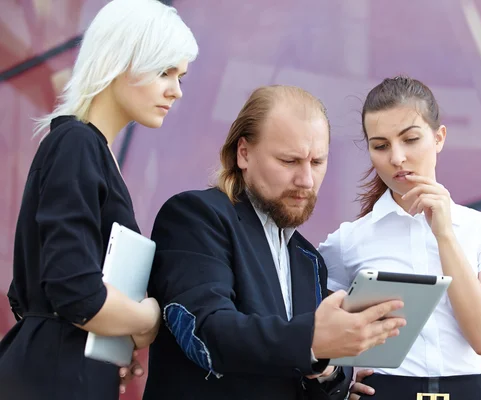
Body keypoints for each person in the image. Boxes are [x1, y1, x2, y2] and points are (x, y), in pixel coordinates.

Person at [142, 85, 406, 400]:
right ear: (244, 153)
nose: (306, 180)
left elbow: (297, 373)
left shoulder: (309, 259)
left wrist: (333, 371)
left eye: (317, 162)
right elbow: (206, 334)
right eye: (289, 161)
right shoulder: (195, 217)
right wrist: (313, 341)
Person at [0, 1, 198, 399]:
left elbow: (37, 292)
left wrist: (110, 341)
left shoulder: (86, 149)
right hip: (54, 377)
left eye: (180, 75)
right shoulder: (77, 145)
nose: (176, 90)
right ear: (120, 61)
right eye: (164, 71)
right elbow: (75, 292)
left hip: (63, 368)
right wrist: (147, 318)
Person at [318, 75, 481, 400]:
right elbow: (316, 337)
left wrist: (444, 234)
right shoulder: (347, 241)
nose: (396, 157)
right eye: (380, 145)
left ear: (439, 138)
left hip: (470, 390)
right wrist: (339, 382)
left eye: (410, 139)